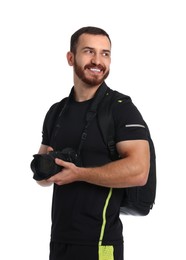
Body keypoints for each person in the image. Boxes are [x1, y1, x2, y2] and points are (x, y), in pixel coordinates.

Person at [33, 26, 150, 260]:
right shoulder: (56, 112)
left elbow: (139, 171)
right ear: (70, 57)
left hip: (101, 243)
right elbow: (43, 177)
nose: (97, 60)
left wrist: (79, 173)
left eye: (105, 53)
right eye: (89, 51)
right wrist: (48, 170)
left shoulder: (120, 109)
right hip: (59, 241)